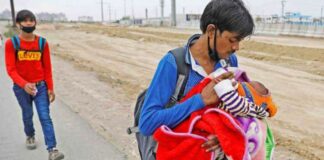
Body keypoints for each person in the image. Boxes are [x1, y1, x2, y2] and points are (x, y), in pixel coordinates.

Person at [139, 0, 256, 158]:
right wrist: (200, 100)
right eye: (232, 40)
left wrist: (225, 136)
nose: (236, 47)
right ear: (211, 31)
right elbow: (147, 123)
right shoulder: (174, 64)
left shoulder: (229, 63)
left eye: (239, 41)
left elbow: (236, 111)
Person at [4, 9, 64, 160]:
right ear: (18, 24)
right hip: (21, 88)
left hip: (40, 87)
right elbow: (11, 69)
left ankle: (52, 149)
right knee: (27, 114)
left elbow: (47, 68)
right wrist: (24, 84)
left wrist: (50, 88)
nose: (29, 23)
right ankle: (30, 135)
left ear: (35, 23)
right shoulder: (12, 44)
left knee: (45, 116)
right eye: (25, 20)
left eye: (31, 20)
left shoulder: (42, 43)